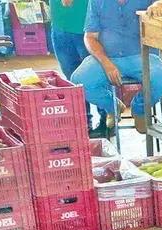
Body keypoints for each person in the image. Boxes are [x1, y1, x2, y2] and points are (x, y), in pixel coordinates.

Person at [71, 0, 162, 134]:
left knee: (160, 80)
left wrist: (157, 5)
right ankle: (113, 106)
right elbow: (90, 37)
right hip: (108, 56)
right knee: (79, 81)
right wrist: (106, 63)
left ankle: (140, 109)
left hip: (142, 55)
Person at [49, 0, 108, 137]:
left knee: (96, 75)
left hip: (89, 29)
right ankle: (83, 121)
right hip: (60, 25)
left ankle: (107, 119)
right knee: (72, 79)